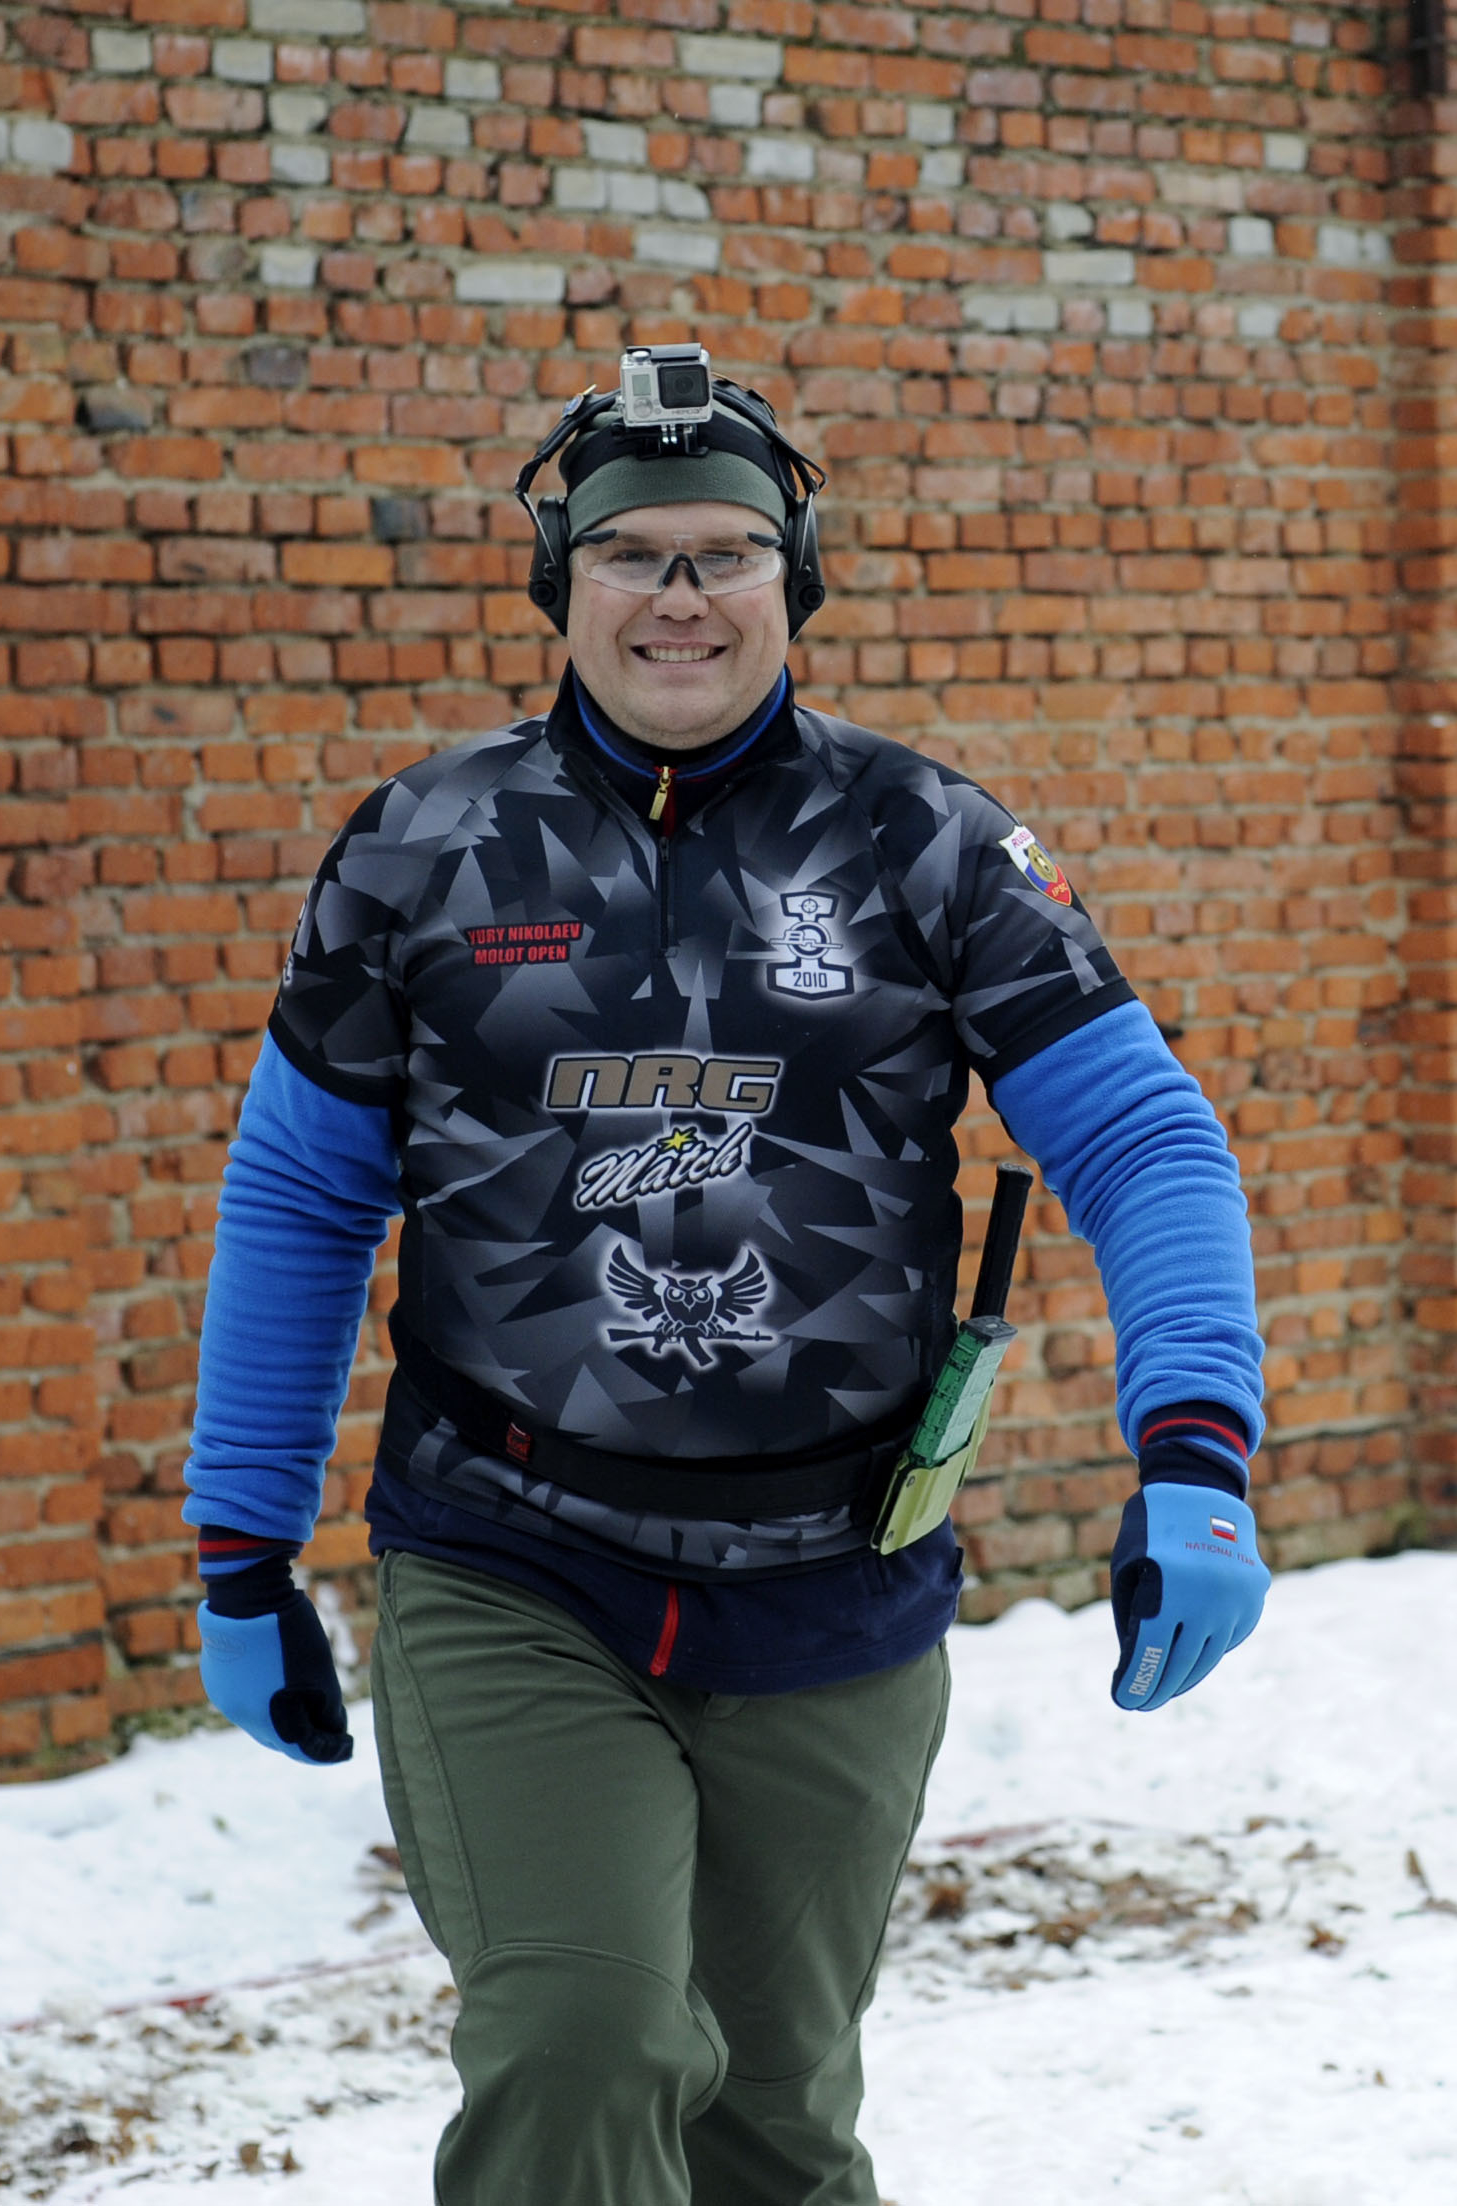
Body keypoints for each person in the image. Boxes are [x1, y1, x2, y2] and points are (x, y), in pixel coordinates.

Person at [180, 347, 1268, 2206]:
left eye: (725, 553)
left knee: (772, 2131)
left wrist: (1198, 1455)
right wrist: (239, 1546)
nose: (677, 596)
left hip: (834, 1585)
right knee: (584, 2042)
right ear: (563, 581)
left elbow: (1145, 1142)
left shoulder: (931, 845)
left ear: (794, 577)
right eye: (630, 554)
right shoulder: (424, 849)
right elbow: (298, 1194)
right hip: (515, 1555)